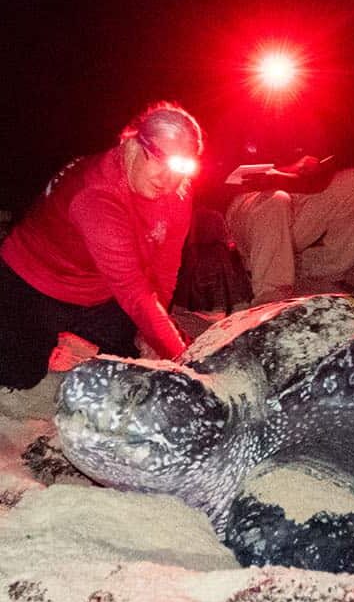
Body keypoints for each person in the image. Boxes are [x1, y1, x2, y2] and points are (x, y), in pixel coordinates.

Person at [0, 102, 203, 389]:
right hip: (33, 283)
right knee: (20, 375)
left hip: (99, 294)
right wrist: (184, 363)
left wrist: (153, 337)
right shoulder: (95, 194)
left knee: (127, 361)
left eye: (180, 166)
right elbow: (134, 292)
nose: (167, 179)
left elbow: (164, 270)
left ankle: (70, 337)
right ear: (133, 143)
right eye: (158, 158)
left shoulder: (178, 193)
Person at [209, 108, 354, 304]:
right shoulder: (235, 117)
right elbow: (216, 180)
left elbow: (321, 176)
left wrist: (299, 174)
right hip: (248, 211)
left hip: (293, 198)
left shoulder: (305, 117)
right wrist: (286, 173)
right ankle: (272, 294)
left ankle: (322, 268)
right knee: (277, 200)